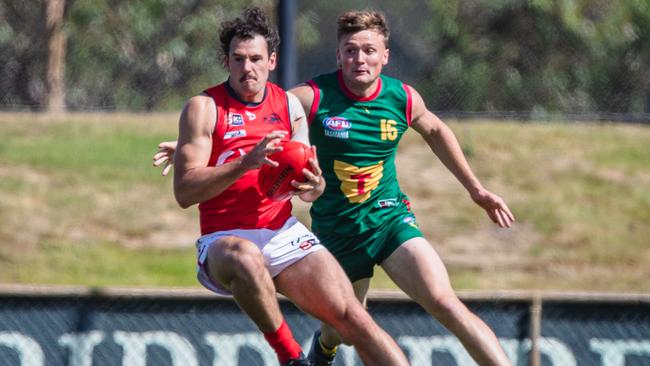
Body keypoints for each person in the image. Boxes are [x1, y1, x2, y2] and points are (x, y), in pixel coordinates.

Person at [155, 8, 516, 366]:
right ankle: (314, 352)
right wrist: (198, 144)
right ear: (338, 55)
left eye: (369, 50)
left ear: (385, 55)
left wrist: (476, 190)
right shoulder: (309, 97)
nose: (360, 59)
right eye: (350, 50)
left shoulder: (401, 98)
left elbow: (435, 131)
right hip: (337, 230)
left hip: (388, 221)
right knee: (341, 328)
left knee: (439, 303)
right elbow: (247, 116)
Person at [166, 7, 409, 366]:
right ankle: (291, 357)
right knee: (245, 257)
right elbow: (184, 191)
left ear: (272, 60)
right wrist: (243, 163)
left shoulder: (289, 105)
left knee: (355, 320)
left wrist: (315, 183)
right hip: (224, 238)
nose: (247, 68)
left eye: (255, 59)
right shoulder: (203, 108)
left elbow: (307, 189)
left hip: (281, 231)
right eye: (238, 59)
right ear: (226, 61)